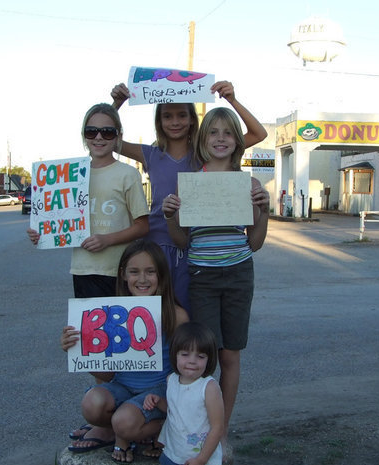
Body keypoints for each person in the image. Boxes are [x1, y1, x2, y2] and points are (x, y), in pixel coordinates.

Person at [28, 103, 150, 446]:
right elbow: (51, 223)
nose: (99, 137)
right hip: (82, 269)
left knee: (121, 345)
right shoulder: (69, 174)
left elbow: (143, 223)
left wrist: (107, 239)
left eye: (107, 132)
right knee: (94, 347)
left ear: (118, 136)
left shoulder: (127, 174)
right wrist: (40, 233)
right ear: (83, 136)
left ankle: (126, 415)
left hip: (117, 272)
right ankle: (107, 419)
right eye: (92, 131)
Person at [110, 81, 267, 313]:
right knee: (156, 313)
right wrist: (117, 103)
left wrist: (232, 99)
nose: (175, 122)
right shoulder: (150, 154)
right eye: (168, 116)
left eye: (182, 115)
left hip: (192, 247)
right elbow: (108, 140)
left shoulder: (205, 152)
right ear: (159, 121)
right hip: (157, 245)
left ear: (193, 119)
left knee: (188, 314)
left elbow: (259, 134)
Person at [161, 106, 270, 439]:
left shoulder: (249, 184)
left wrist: (263, 211)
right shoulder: (192, 185)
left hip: (238, 273)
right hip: (203, 277)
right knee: (205, 353)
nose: (220, 139)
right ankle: (201, 420)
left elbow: (254, 243)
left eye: (227, 133)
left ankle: (220, 426)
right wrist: (170, 218)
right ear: (202, 140)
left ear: (237, 141)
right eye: (212, 132)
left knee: (231, 352)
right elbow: (182, 241)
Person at [61, 239, 189, 463]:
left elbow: (187, 369)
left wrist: (170, 401)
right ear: (123, 275)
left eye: (150, 272)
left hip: (156, 393)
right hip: (122, 387)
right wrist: (79, 350)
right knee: (91, 405)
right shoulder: (112, 315)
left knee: (124, 422)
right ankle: (119, 430)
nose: (142, 279)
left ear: (161, 275)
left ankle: (166, 427)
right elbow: (108, 377)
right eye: (134, 272)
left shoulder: (175, 315)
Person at [143, 322, 223, 465]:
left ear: (209, 359)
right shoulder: (172, 380)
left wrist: (201, 461)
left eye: (200, 356)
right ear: (175, 355)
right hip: (172, 460)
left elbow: (217, 427)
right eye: (185, 354)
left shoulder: (209, 387)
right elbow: (176, 409)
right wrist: (157, 401)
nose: (192, 362)